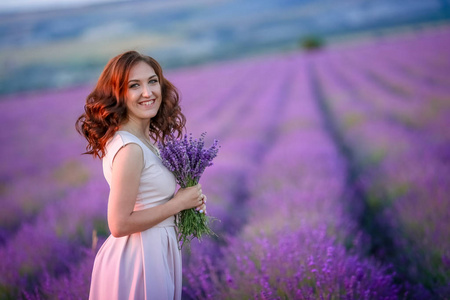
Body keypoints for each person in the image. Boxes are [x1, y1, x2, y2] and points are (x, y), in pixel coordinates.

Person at [76, 50, 206, 300]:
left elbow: (149, 202)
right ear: (118, 94)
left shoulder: (141, 141)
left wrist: (187, 203)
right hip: (138, 261)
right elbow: (119, 223)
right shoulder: (130, 148)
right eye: (134, 85)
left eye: (152, 81)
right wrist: (178, 203)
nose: (148, 93)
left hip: (152, 253)